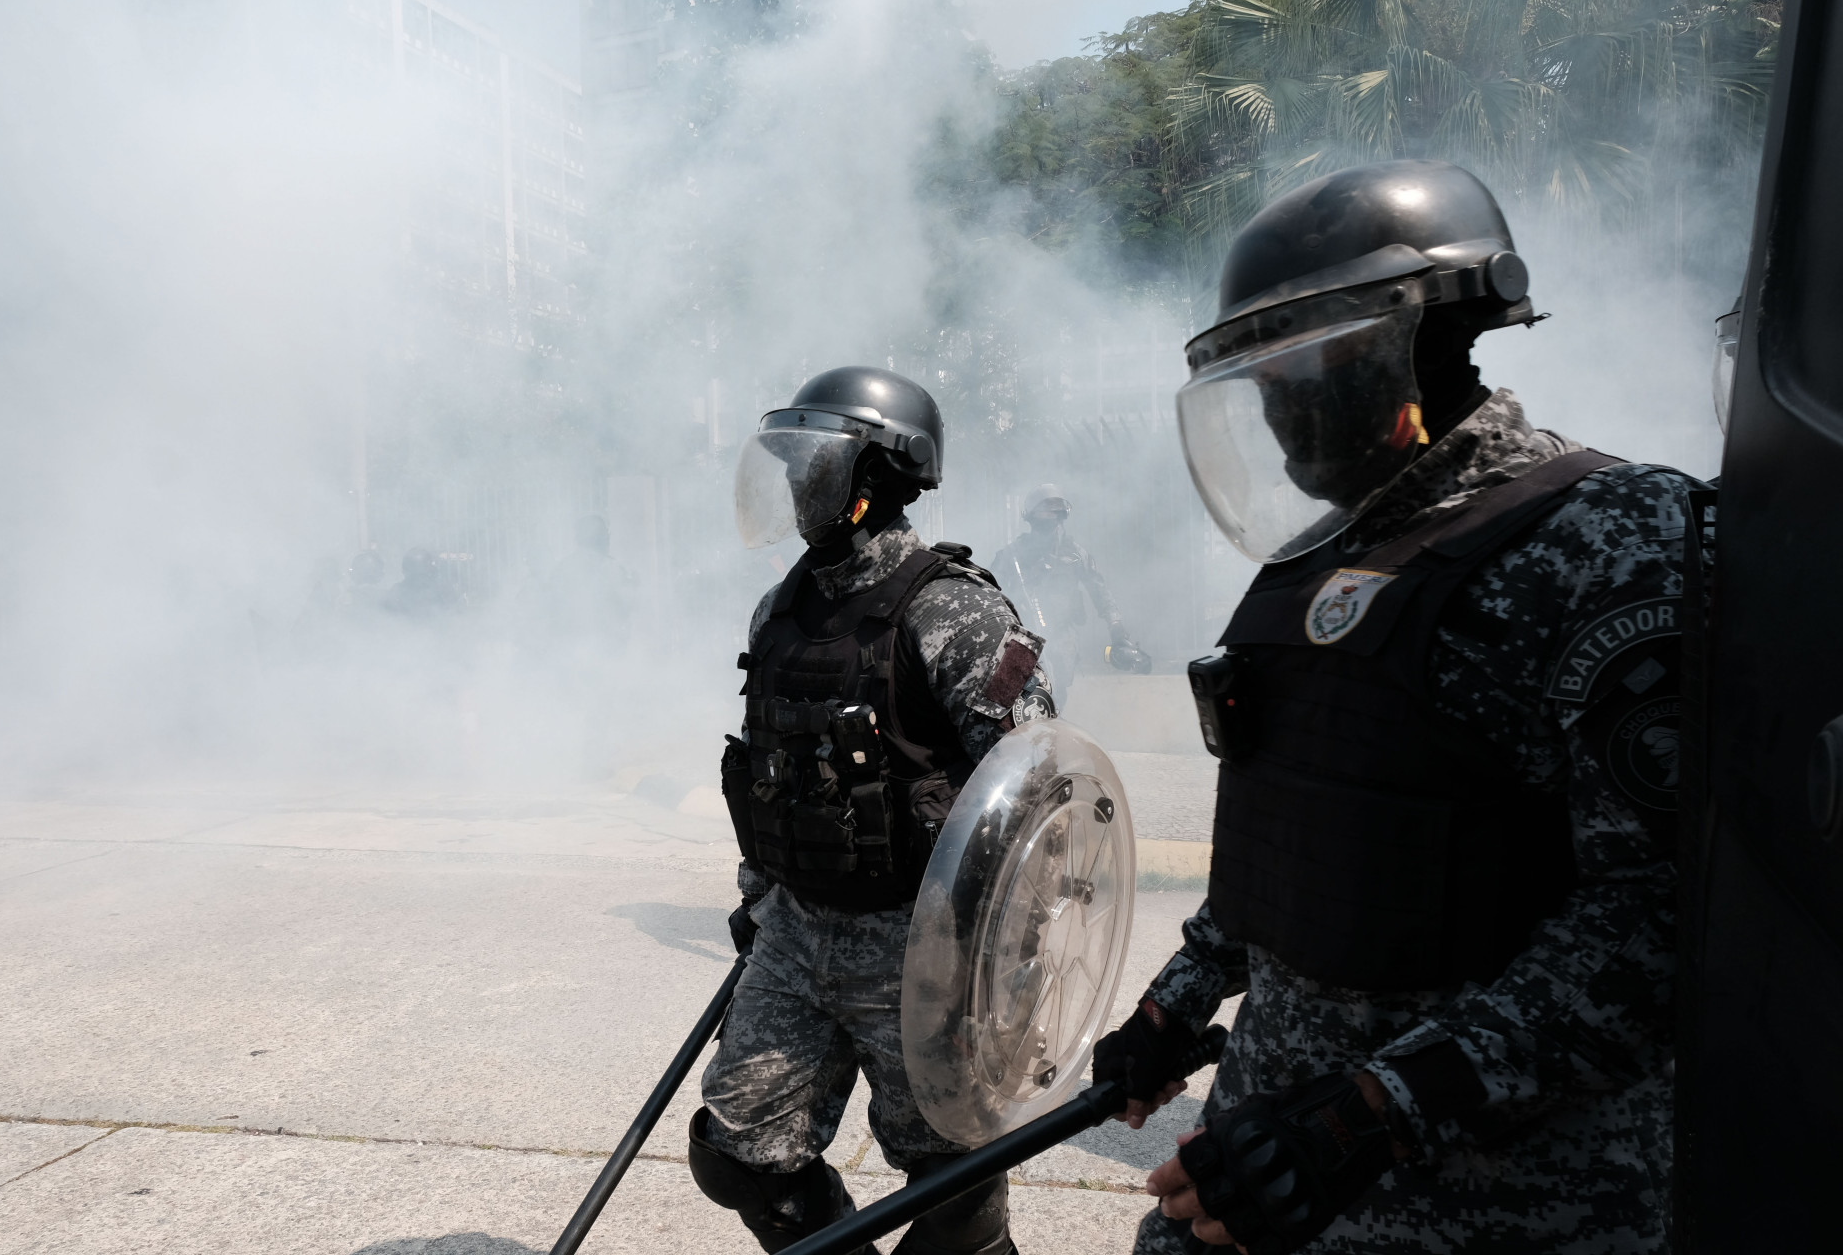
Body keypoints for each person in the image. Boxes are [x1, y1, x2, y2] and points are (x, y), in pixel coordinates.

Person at [1092, 159, 1695, 1254]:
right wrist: (1174, 1002)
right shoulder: (1312, 562)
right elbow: (1288, 836)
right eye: (1260, 385)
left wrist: (1373, 1112)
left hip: (1495, 1200)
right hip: (1261, 1165)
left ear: (1422, 340)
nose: (1277, 413)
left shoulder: (1613, 540)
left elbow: (1657, 922)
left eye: (1299, 371)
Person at [699, 365, 1054, 1254]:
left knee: (950, 1187)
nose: (795, 487)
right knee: (739, 1153)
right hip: (795, 933)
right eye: (790, 468)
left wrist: (1006, 957)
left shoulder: (952, 611)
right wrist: (758, 900)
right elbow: (770, 772)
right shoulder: (779, 611)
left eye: (813, 468)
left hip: (919, 951)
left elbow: (1038, 793)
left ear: (876, 477)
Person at [991, 484, 1148, 706]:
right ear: (1032, 517)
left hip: (1061, 634)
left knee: (1055, 693)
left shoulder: (1075, 555)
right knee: (1017, 694)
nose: (1051, 519)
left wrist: (1116, 627)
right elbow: (991, 593)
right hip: (1023, 633)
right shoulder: (1011, 555)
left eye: (1055, 513)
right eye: (1045, 512)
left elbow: (1099, 591)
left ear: (1062, 516)